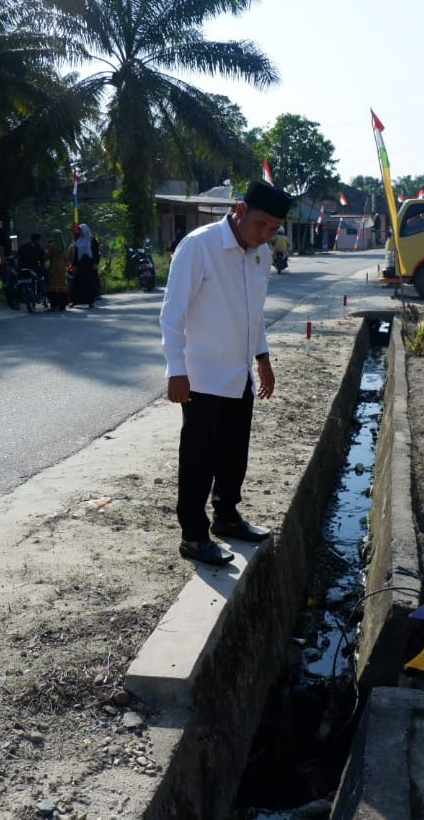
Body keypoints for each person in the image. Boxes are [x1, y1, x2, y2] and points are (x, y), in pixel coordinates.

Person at [160, 180, 293, 566]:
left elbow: (254, 313)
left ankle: (227, 516)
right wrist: (176, 370)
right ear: (239, 210)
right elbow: (172, 313)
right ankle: (193, 535)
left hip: (239, 375)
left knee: (235, 453)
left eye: (273, 229)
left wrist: (263, 359)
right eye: (260, 224)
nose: (265, 234)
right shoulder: (199, 246)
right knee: (199, 459)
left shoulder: (260, 254)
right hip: (201, 378)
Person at [68, 224, 101, 308]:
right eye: (79, 230)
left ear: (85, 230)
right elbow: (76, 254)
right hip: (80, 265)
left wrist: (96, 263)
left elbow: (96, 252)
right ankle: (75, 301)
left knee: (89, 282)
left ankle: (90, 301)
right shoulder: (78, 241)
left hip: (89, 264)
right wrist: (74, 265)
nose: (80, 232)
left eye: (81, 230)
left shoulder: (92, 240)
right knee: (77, 283)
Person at [44, 231, 70, 311]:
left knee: (54, 287)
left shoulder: (52, 246)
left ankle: (55, 305)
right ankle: (62, 305)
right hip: (62, 270)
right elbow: (67, 261)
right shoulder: (63, 246)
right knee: (62, 286)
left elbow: (46, 257)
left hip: (54, 269)